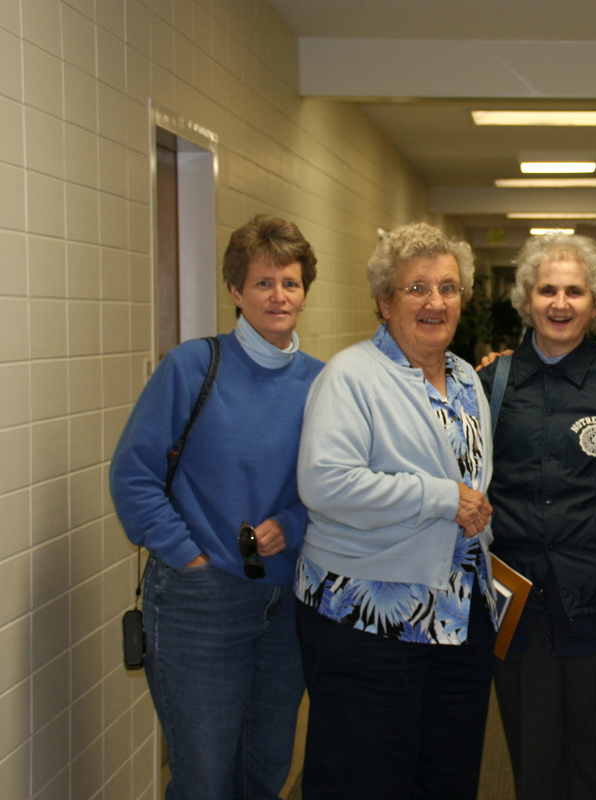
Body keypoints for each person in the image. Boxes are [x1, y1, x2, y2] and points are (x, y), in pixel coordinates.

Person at [110, 215, 322, 800]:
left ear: (305, 291)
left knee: (265, 770)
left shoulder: (323, 384)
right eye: (262, 282)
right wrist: (188, 557)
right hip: (198, 600)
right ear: (235, 291)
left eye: (291, 282)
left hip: (285, 606)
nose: (278, 296)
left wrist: (295, 524)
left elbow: (330, 486)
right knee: (204, 779)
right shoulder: (193, 367)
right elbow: (133, 476)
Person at [292, 222, 497, 800]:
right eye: (417, 289)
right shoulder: (350, 376)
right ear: (384, 302)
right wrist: (441, 498)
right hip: (368, 620)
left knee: (446, 776)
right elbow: (326, 483)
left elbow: (473, 478)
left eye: (449, 288)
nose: (435, 302)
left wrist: (474, 510)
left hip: (456, 618)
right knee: (363, 778)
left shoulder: (464, 379)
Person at [478, 232, 596, 800]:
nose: (560, 303)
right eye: (548, 290)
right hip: (520, 604)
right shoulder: (489, 384)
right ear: (527, 300)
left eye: (575, 292)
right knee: (535, 763)